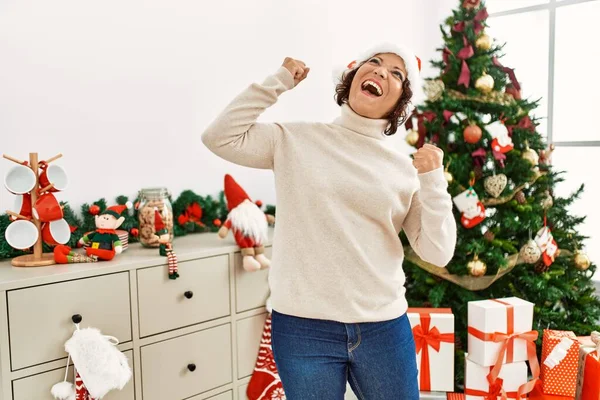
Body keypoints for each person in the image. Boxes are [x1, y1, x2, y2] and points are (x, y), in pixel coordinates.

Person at [201, 42, 457, 399]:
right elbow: (218, 137)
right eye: (374, 62)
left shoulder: (404, 169)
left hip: (383, 327)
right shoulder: (294, 139)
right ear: (352, 77)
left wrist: (433, 181)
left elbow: (439, 251)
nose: (381, 71)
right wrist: (277, 82)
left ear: (401, 102)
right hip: (303, 329)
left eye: (396, 73)